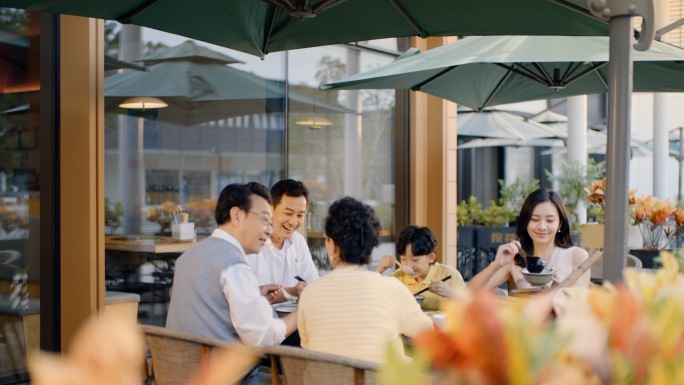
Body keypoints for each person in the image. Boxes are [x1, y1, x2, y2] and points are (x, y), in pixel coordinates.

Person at [166, 182, 297, 385]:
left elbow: (206, 305)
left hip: (176, 375)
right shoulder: (235, 266)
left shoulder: (188, 257)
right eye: (264, 220)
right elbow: (264, 336)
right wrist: (303, 311)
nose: (269, 230)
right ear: (237, 216)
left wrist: (256, 294)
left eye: (271, 223)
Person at [298, 197, 433, 364]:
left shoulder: (310, 292)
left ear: (332, 245)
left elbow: (307, 347)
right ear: (370, 246)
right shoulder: (392, 289)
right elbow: (428, 333)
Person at [468, 187, 590, 292]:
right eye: (535, 219)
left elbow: (580, 306)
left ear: (560, 224)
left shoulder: (577, 257)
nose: (542, 227)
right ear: (526, 222)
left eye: (550, 220)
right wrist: (496, 265)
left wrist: (558, 295)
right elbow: (468, 294)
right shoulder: (515, 260)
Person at [245, 179, 318, 304]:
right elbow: (244, 296)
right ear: (270, 209)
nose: (293, 222)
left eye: (300, 215)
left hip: (292, 319)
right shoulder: (251, 243)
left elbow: (313, 284)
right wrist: (292, 291)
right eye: (288, 213)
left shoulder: (298, 242)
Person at [376, 226, 466, 310]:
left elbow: (471, 307)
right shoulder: (399, 276)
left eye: (415, 260)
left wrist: (451, 293)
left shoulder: (449, 275)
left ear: (431, 258)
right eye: (403, 259)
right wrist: (379, 271)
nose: (408, 265)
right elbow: (373, 296)